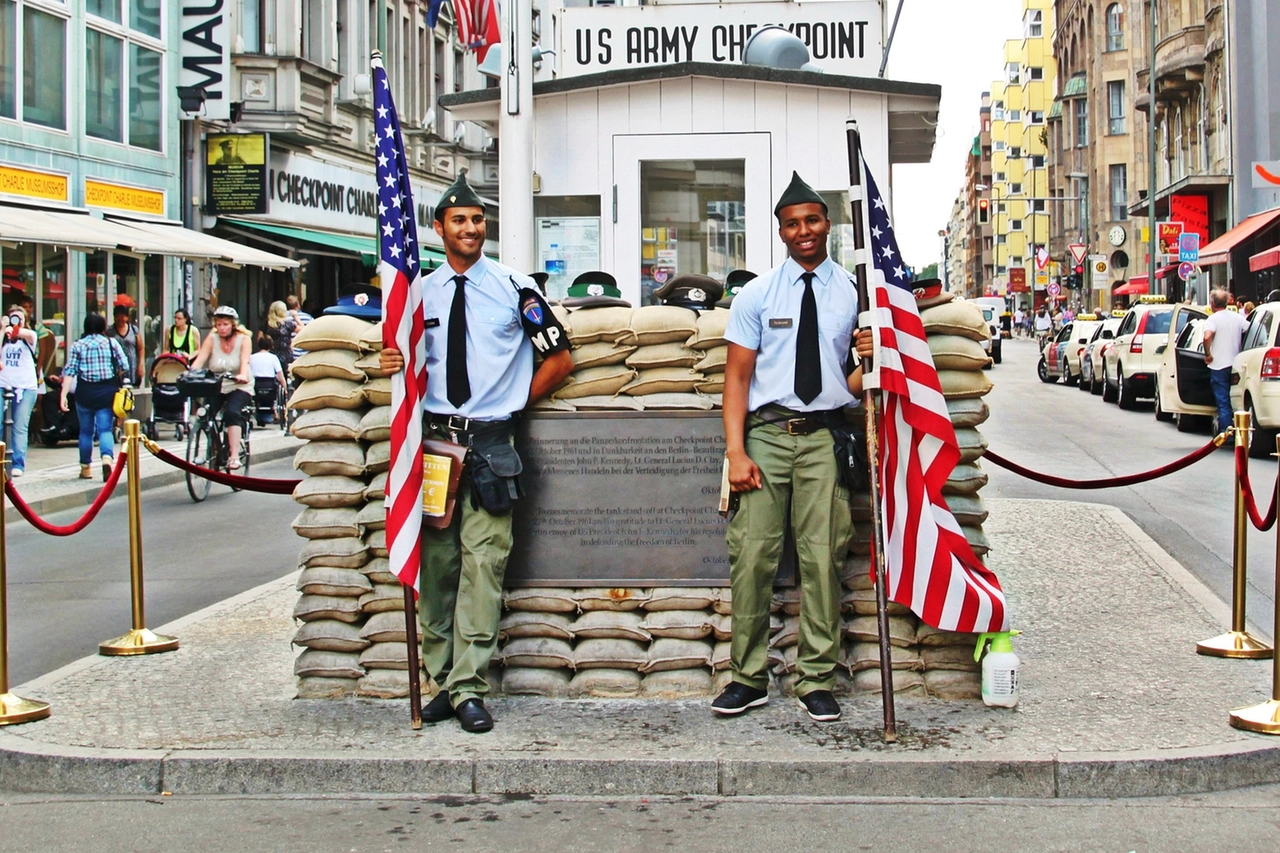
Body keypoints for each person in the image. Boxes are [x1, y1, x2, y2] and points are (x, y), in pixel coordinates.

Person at [379, 171, 574, 734]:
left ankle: (468, 686)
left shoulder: (516, 289)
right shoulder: (418, 294)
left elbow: (559, 359)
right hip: (436, 443)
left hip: (491, 444)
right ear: (438, 228)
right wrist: (390, 363)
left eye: (478, 219)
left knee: (484, 566)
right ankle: (442, 679)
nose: (471, 228)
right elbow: (404, 360)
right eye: (459, 220)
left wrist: (512, 406)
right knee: (437, 568)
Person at [711, 171, 874, 724]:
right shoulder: (758, 293)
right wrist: (735, 452)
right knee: (752, 556)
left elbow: (850, 381)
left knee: (822, 559)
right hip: (766, 436)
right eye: (792, 224)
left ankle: (816, 679)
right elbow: (736, 379)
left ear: (828, 223)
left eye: (812, 220)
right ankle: (747, 677)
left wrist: (868, 359)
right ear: (779, 231)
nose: (803, 231)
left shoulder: (856, 294)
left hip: (825, 436)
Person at [60, 313, 128, 480]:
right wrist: (113, 374)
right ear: (103, 327)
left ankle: (85, 468)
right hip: (106, 391)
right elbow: (124, 365)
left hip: (85, 392)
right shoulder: (112, 343)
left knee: (85, 432)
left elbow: (70, 372)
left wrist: (63, 395)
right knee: (105, 429)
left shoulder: (78, 345)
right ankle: (106, 459)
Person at [189, 305, 252, 469]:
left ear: (233, 324)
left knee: (232, 412)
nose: (222, 328)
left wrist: (242, 375)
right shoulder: (212, 339)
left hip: (239, 385)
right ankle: (214, 448)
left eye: (225, 324)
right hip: (217, 385)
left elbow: (244, 361)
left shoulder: (244, 339)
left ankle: (233, 456)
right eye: (218, 324)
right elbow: (200, 359)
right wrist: (190, 374)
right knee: (206, 414)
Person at [0, 307, 41, 477]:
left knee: (19, 426)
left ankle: (18, 463)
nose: (16, 322)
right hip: (3, 386)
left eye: (20, 318)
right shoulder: (4, 339)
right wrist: (3, 330)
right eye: (13, 318)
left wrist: (16, 329)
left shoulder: (29, 337)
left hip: (25, 388)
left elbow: (30, 336)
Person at [1202, 289, 1249, 435]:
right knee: (1236, 397)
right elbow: (1249, 330)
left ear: (1212, 304)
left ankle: (1227, 433)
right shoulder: (1238, 318)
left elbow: (1207, 337)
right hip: (1236, 364)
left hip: (1219, 365)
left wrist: (1208, 354)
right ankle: (1241, 429)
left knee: (1223, 401)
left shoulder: (1212, 320)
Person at [249, 337, 285, 426]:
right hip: (270, 385)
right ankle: (270, 415)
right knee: (273, 393)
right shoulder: (273, 358)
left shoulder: (252, 357)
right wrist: (285, 387)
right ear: (271, 346)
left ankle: (261, 417)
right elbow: (280, 374)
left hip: (255, 385)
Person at [106, 304, 143, 387]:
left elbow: (140, 348)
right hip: (116, 367)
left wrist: (141, 364)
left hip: (132, 366)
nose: (120, 319)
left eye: (122, 317)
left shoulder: (134, 330)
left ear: (127, 317)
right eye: (117, 317)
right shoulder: (109, 331)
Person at [258, 300, 297, 368]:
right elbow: (304, 330)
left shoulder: (266, 323)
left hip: (270, 355)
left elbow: (259, 339)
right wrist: (296, 317)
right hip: (286, 355)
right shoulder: (287, 324)